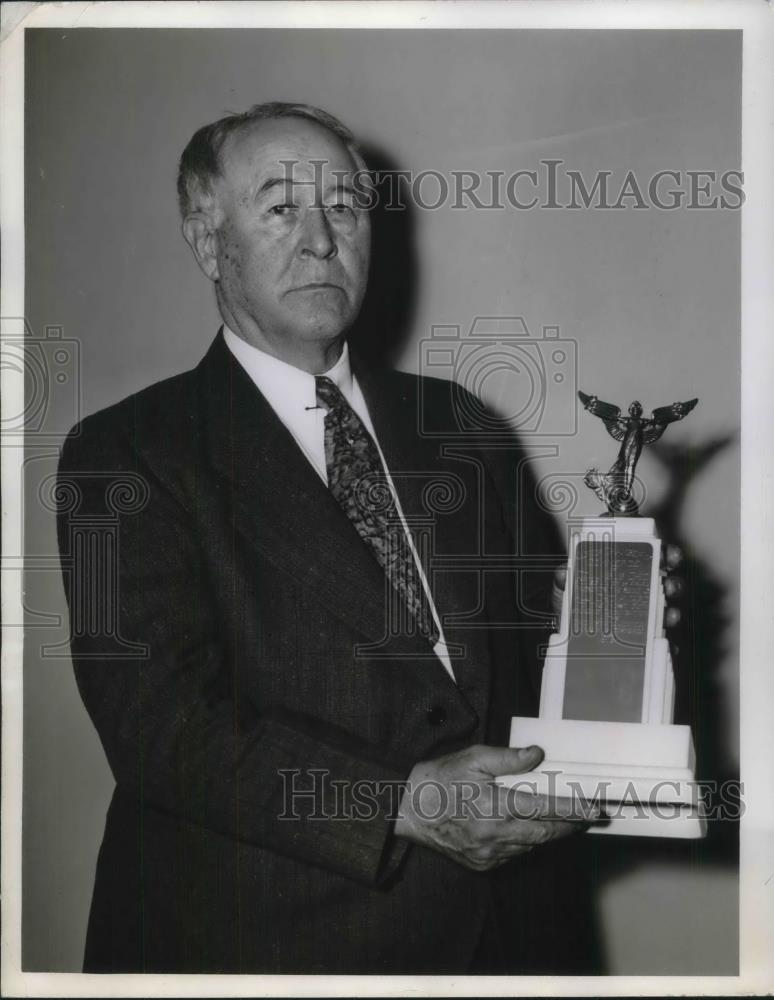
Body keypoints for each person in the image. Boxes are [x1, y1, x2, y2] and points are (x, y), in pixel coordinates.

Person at [56, 102, 605, 974]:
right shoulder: (123, 451)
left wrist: (618, 625)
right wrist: (403, 803)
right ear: (207, 241)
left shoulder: (462, 424)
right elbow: (157, 725)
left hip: (504, 940)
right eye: (281, 207)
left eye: (345, 206)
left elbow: (534, 646)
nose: (321, 238)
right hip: (262, 944)